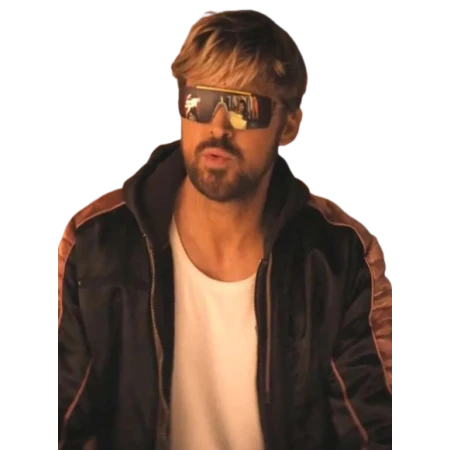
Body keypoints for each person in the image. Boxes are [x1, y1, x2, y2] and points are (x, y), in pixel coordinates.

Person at [57, 8, 392, 450]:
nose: (217, 127)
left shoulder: (341, 257)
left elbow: (377, 429)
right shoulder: (96, 243)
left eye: (242, 107)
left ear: (288, 124)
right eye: (200, 102)